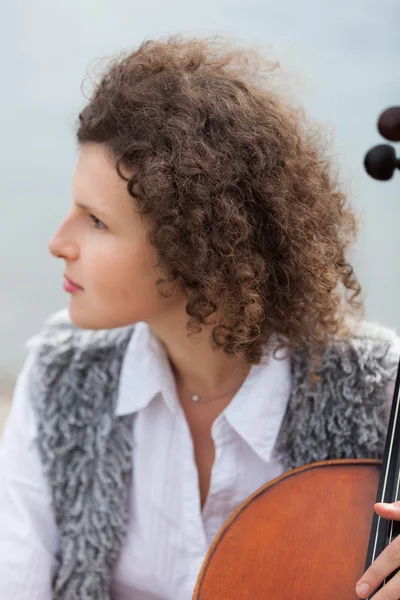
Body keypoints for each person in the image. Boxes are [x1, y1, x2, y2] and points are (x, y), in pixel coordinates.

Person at [0, 36, 400, 600]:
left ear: (194, 248)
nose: (57, 242)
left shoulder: (378, 387)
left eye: (95, 222)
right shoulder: (60, 373)